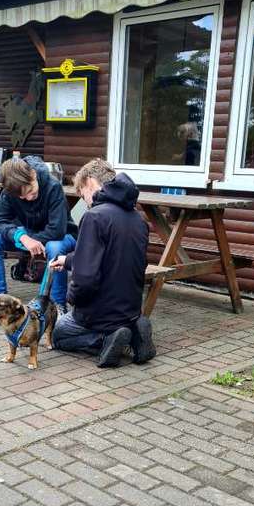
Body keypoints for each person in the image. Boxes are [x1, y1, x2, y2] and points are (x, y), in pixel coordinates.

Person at [51, 158, 156, 368]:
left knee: (59, 334)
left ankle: (104, 339)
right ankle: (134, 331)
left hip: (98, 314)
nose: (85, 201)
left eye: (82, 194)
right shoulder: (138, 220)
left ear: (90, 182)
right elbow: (114, 259)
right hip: (130, 309)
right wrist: (68, 260)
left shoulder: (94, 217)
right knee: (118, 322)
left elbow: (86, 279)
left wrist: (72, 300)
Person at [0, 156, 77, 328]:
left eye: (31, 191)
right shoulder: (10, 191)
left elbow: (57, 229)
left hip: (61, 235)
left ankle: (58, 307)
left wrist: (33, 240)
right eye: (23, 196)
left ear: (33, 174)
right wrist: (22, 237)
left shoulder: (53, 187)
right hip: (28, 235)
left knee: (54, 246)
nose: (28, 198)